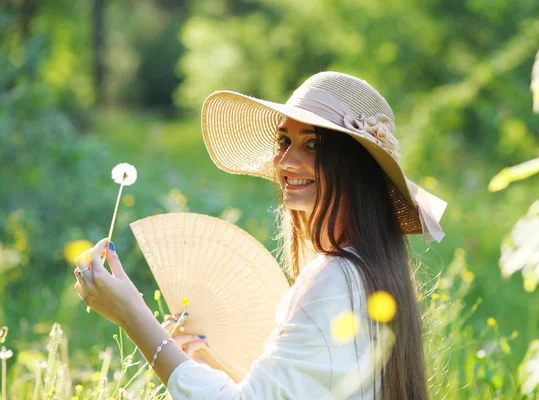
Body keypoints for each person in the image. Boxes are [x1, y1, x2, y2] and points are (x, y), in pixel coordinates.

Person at [73, 71, 447, 399]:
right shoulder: (371, 271)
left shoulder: (337, 278)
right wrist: (202, 365)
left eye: (313, 144)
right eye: (284, 141)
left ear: (355, 166)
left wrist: (133, 316)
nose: (285, 161)